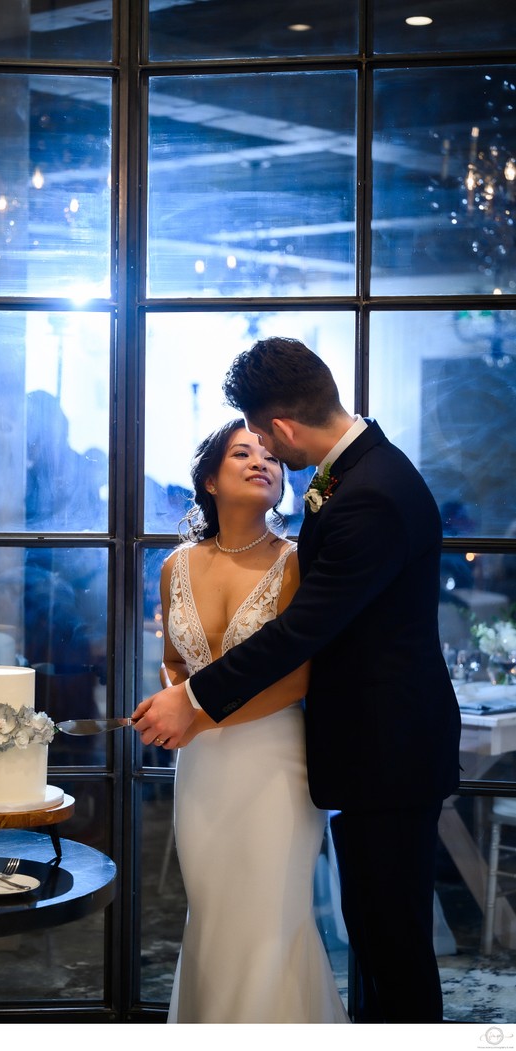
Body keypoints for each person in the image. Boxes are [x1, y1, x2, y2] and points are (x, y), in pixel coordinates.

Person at [133, 336, 461, 1023]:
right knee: (375, 939)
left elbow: (300, 634)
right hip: (357, 753)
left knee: (391, 948)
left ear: (280, 428)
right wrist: (183, 689)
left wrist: (193, 700)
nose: (266, 458)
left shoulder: (367, 494)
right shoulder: (360, 475)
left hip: (384, 752)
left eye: (262, 441)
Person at [160, 417, 348, 1024]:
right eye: (243, 453)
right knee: (214, 914)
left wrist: (195, 715)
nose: (261, 462)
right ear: (210, 479)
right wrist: (176, 701)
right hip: (202, 770)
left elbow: (299, 677)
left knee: (271, 916)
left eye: (270, 455)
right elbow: (173, 658)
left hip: (275, 761)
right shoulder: (176, 566)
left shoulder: (296, 564)